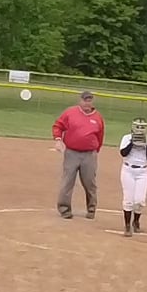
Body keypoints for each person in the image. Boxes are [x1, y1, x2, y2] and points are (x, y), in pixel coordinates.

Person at [52, 90, 104, 219]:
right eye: (85, 100)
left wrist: (95, 150)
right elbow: (58, 126)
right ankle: (64, 209)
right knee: (67, 181)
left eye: (89, 100)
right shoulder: (70, 112)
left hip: (89, 154)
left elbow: (100, 136)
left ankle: (91, 209)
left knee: (90, 183)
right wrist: (58, 140)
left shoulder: (98, 117)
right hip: (72, 153)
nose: (87, 103)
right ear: (80, 100)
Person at [117, 118, 147, 237]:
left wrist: (146, 144)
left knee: (140, 200)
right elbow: (123, 153)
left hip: (142, 171)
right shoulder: (126, 138)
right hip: (128, 170)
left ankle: (136, 221)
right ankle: (127, 225)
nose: (140, 129)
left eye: (142, 127)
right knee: (128, 199)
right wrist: (132, 143)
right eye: (137, 127)